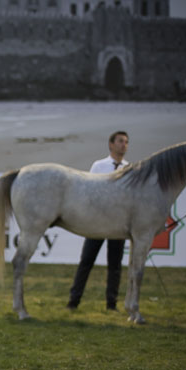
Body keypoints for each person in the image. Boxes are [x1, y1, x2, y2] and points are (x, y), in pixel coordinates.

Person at [67, 131, 130, 311]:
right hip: (98, 222)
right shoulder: (99, 166)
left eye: (126, 142)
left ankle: (112, 303)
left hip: (118, 223)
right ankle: (74, 301)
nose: (124, 145)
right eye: (120, 141)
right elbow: (89, 190)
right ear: (111, 144)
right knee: (86, 261)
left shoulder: (129, 168)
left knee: (115, 265)